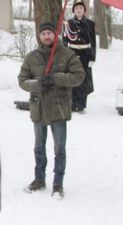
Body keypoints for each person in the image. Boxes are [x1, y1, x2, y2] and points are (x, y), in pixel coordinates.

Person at [17, 21, 85, 197]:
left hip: (58, 109)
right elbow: (22, 80)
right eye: (43, 33)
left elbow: (78, 77)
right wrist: (38, 83)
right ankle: (39, 179)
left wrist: (56, 78)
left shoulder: (67, 55)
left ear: (55, 35)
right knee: (39, 147)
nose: (46, 36)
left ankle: (57, 184)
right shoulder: (32, 57)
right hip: (38, 108)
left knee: (59, 148)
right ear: (39, 36)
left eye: (49, 33)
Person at [62, 0, 96, 113]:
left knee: (83, 80)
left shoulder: (90, 24)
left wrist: (92, 57)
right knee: (72, 79)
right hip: (72, 55)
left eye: (81, 8)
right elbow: (65, 41)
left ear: (84, 10)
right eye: (76, 8)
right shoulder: (68, 24)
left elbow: (93, 42)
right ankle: (72, 104)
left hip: (85, 55)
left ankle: (81, 105)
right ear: (73, 10)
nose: (79, 10)